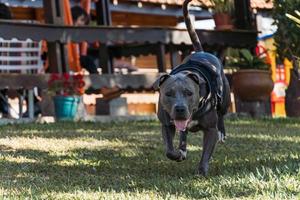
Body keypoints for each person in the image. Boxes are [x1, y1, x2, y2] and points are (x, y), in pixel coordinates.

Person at [71, 6, 99, 74]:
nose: (82, 23)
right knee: (89, 60)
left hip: (73, 57)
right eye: (82, 20)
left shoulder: (76, 32)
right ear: (73, 18)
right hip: (69, 58)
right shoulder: (69, 30)